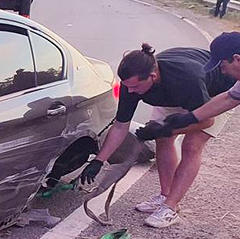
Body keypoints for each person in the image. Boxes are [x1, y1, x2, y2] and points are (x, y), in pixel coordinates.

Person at [79, 43, 233, 228]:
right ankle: (165, 196)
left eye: (135, 87)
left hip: (213, 94)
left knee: (191, 146)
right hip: (171, 95)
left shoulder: (187, 78)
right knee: (162, 139)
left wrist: (167, 128)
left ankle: (171, 207)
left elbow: (206, 121)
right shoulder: (132, 85)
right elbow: (120, 126)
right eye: (127, 87)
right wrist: (99, 160)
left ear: (152, 77)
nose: (130, 92)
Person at [137, 31, 240, 135]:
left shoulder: (189, 77)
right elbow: (230, 98)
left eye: (223, 66)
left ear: (237, 59)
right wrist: (187, 119)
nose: (223, 71)